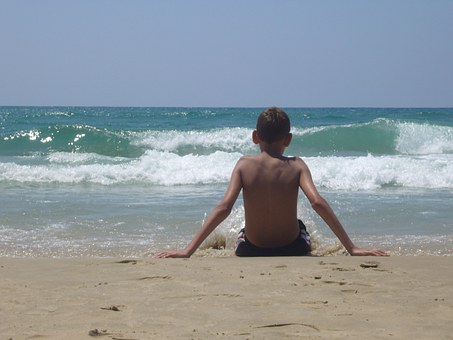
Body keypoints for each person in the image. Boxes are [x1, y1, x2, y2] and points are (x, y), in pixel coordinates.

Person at [155, 107, 388, 258]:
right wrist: (352, 248)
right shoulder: (297, 165)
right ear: (288, 138)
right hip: (294, 248)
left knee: (242, 232)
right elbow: (317, 202)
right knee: (301, 226)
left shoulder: (243, 165)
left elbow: (224, 207)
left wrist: (187, 251)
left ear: (255, 136)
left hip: (250, 249)